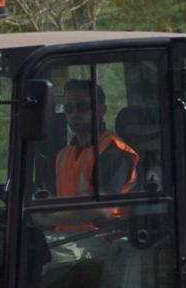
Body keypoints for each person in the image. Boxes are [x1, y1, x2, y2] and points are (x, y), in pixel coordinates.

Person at [52, 79, 139, 210]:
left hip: (105, 230)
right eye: (68, 108)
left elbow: (103, 210)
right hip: (64, 230)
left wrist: (45, 217)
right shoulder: (63, 155)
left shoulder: (115, 151)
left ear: (101, 110)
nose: (75, 114)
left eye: (82, 107)